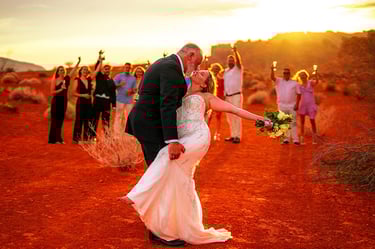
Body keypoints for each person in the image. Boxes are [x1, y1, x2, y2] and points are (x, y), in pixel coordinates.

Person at [122, 69, 272, 246]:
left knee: (165, 157)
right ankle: (177, 226)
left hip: (197, 138)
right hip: (182, 138)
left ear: (205, 83)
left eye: (203, 74)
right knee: (179, 180)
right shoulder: (180, 93)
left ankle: (138, 195)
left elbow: (235, 110)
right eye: (199, 70)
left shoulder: (207, 97)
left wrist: (263, 120)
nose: (198, 72)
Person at [124, 43, 203, 246]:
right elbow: (166, 103)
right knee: (161, 174)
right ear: (191, 55)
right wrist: (173, 140)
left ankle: (151, 217)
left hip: (146, 123)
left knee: (155, 171)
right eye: (197, 63)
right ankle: (157, 230)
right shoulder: (171, 67)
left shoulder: (163, 63)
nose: (194, 69)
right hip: (150, 125)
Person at [48, 57, 80, 144]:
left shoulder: (66, 79)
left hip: (64, 101)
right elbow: (52, 92)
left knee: (61, 120)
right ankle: (53, 139)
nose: (62, 71)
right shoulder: (55, 80)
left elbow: (73, 71)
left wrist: (78, 62)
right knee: (55, 120)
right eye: (60, 70)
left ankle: (59, 138)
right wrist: (61, 89)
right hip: (56, 102)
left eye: (63, 70)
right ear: (57, 72)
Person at [72, 54, 102, 144]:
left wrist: (100, 60)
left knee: (88, 121)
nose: (85, 70)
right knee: (79, 120)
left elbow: (97, 70)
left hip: (89, 103)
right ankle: (76, 139)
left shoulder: (89, 79)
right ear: (80, 71)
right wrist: (83, 95)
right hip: (81, 102)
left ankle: (86, 138)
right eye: (83, 69)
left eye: (86, 69)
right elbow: (73, 93)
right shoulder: (77, 80)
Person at [271, 65, 301, 144]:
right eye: (284, 73)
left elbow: (299, 94)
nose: (286, 74)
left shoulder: (295, 83)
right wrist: (272, 69)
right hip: (282, 105)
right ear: (283, 74)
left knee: (293, 122)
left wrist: (297, 104)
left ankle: (295, 139)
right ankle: (286, 139)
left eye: (287, 73)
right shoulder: (279, 81)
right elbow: (272, 77)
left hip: (292, 105)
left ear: (290, 74)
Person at [91, 53, 116, 139]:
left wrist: (114, 105)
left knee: (106, 121)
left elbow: (113, 93)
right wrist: (99, 59)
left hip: (106, 102)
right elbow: (96, 67)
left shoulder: (111, 80)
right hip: (97, 101)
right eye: (105, 68)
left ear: (110, 70)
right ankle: (92, 136)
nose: (107, 70)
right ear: (103, 69)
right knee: (95, 119)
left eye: (108, 69)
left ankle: (107, 138)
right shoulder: (99, 76)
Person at [293, 69, 319, 144]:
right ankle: (302, 138)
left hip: (311, 105)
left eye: (303, 75)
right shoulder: (299, 86)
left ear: (306, 76)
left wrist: (316, 75)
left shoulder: (310, 83)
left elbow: (316, 82)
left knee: (312, 120)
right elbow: (297, 95)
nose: (302, 77)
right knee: (302, 122)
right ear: (299, 77)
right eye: (301, 76)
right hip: (303, 105)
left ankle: (314, 138)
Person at [224, 46, 243, 144]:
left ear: (234, 61)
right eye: (229, 60)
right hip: (227, 96)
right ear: (227, 61)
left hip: (236, 95)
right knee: (230, 117)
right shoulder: (226, 71)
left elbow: (239, 62)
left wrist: (236, 52)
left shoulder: (238, 68)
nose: (230, 61)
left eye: (232, 60)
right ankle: (232, 135)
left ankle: (238, 136)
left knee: (237, 116)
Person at [113, 62, 137, 133]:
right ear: (124, 68)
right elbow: (113, 86)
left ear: (131, 68)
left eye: (129, 68)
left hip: (129, 100)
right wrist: (120, 84)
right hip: (120, 100)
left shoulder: (133, 78)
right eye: (126, 67)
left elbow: (135, 89)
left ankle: (128, 134)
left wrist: (131, 91)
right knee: (118, 117)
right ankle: (116, 134)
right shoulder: (118, 76)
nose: (127, 69)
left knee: (129, 117)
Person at [209, 62, 224, 141]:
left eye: (217, 69)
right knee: (208, 117)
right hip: (209, 100)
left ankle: (217, 134)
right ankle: (206, 134)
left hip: (218, 101)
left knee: (218, 117)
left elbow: (222, 91)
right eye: (214, 69)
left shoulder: (221, 79)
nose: (215, 71)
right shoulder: (209, 79)